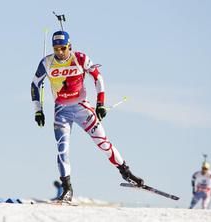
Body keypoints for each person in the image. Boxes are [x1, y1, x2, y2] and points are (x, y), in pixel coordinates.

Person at [31, 30, 144, 202]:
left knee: (103, 143)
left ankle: (126, 172)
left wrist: (100, 103)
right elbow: (35, 84)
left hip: (82, 108)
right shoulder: (47, 62)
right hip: (62, 112)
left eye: (63, 48)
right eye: (56, 49)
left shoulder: (80, 58)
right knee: (62, 150)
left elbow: (98, 78)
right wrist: (38, 110)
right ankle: (67, 189)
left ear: (69, 46)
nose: (60, 52)